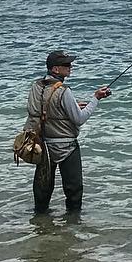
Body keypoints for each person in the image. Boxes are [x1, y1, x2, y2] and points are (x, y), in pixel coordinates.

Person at [27, 49, 111, 214]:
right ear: (55, 69)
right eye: (66, 65)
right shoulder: (64, 91)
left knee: (42, 190)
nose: (70, 67)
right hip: (66, 147)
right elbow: (79, 119)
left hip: (43, 146)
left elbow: (38, 110)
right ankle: (72, 223)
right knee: (74, 190)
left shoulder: (36, 86)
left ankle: (40, 222)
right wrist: (96, 99)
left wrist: (69, 108)